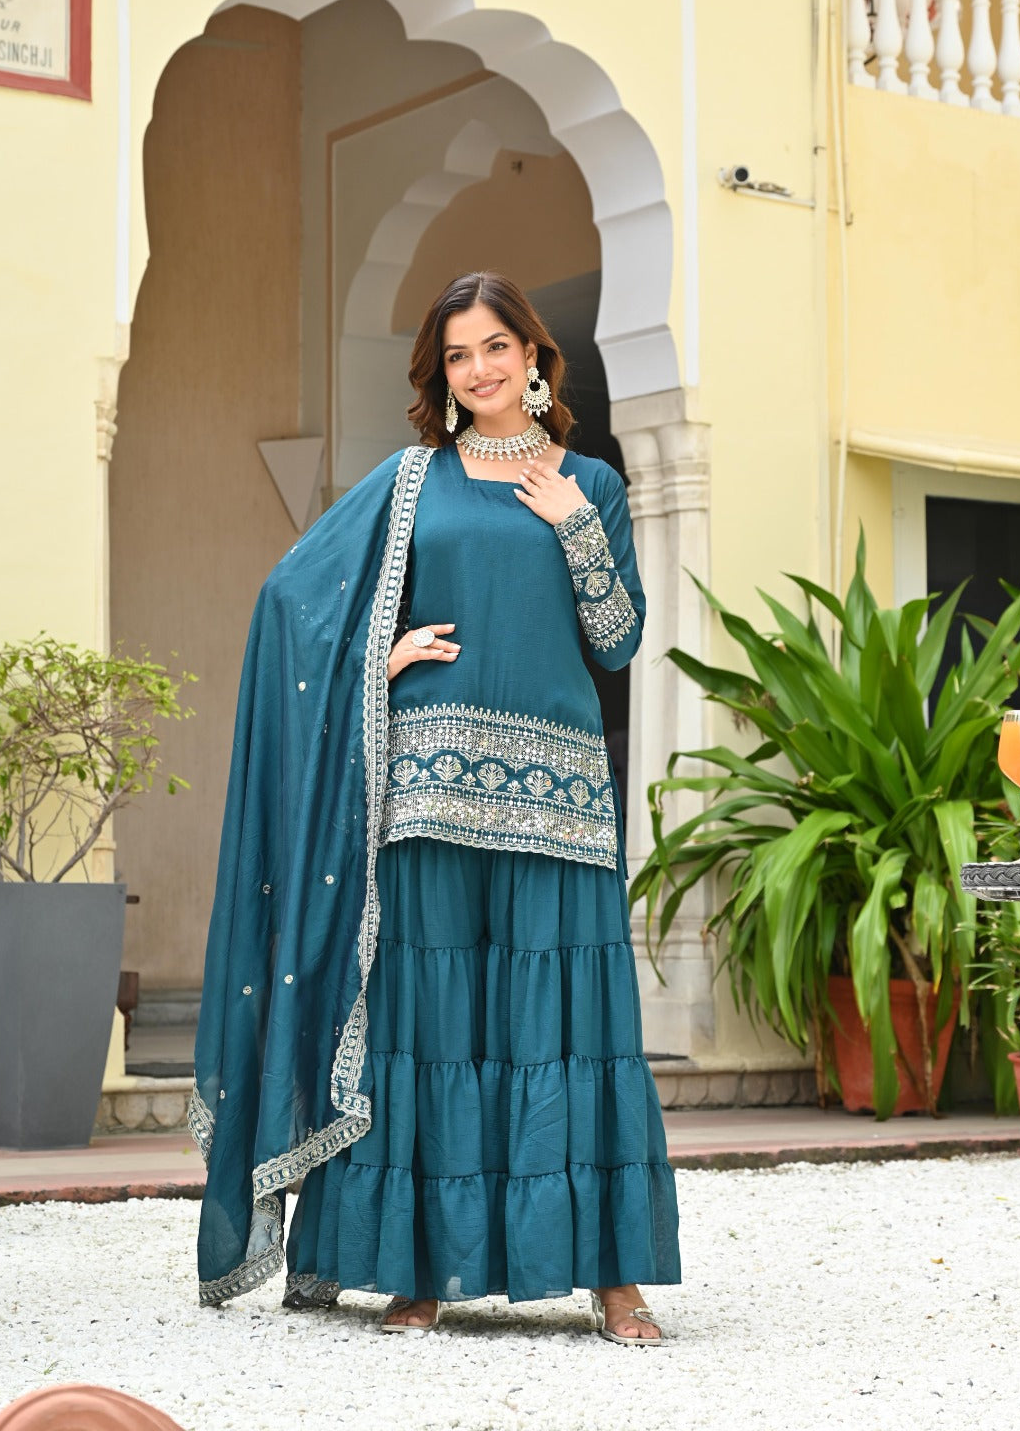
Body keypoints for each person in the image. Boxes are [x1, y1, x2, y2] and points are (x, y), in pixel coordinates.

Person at [190, 271, 681, 1343]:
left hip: (559, 798)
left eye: (496, 346)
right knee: (427, 1023)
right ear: (441, 374)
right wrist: (378, 652)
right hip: (428, 784)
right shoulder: (413, 480)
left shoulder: (590, 483)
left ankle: (614, 1279)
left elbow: (617, 642)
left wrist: (575, 528)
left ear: (533, 356)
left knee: (571, 1027)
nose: (479, 369)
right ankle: (416, 1268)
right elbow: (293, 599)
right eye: (458, 355)